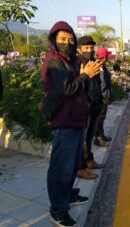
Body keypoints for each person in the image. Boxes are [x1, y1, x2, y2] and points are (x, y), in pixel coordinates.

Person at [41, 21, 101, 227]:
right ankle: (58, 210)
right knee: (61, 167)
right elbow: (67, 89)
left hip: (77, 119)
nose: (67, 43)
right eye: (62, 40)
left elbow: (78, 83)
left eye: (70, 39)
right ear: (54, 41)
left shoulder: (70, 60)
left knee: (72, 164)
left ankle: (67, 195)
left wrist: (84, 74)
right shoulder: (54, 61)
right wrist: (85, 75)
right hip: (63, 121)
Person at [76, 36, 104, 180]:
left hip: (95, 104)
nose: (90, 50)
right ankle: (81, 168)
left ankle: (90, 161)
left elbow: (97, 84)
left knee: (89, 137)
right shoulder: (77, 64)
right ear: (79, 49)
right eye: (86, 48)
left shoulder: (94, 62)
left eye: (92, 48)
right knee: (81, 140)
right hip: (84, 107)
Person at [95, 47, 112, 146]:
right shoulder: (99, 66)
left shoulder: (102, 65)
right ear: (104, 57)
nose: (108, 57)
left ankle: (102, 135)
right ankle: (99, 139)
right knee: (100, 118)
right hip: (102, 96)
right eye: (107, 55)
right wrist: (105, 95)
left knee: (102, 117)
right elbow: (103, 83)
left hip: (103, 95)